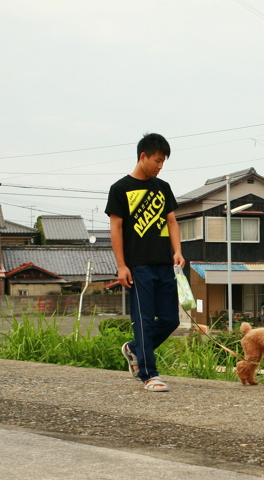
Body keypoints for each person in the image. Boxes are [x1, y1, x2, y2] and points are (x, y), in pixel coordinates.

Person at [105, 133, 185, 392]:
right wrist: (121, 265)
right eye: (157, 160)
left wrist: (177, 251)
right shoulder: (120, 189)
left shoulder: (163, 188)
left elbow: (172, 221)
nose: (160, 166)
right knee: (143, 319)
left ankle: (134, 349)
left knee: (171, 319)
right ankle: (149, 374)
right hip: (137, 265)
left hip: (165, 263)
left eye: (163, 162)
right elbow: (115, 228)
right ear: (143, 156)